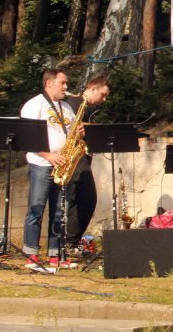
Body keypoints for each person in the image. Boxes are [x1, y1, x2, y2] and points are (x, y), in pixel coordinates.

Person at [20, 69, 79, 269]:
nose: (66, 87)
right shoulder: (34, 105)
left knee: (60, 211)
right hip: (41, 163)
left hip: (63, 165)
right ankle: (31, 255)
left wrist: (79, 133)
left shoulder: (67, 108)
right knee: (36, 208)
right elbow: (26, 138)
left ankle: (56, 254)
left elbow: (72, 136)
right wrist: (48, 155)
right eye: (62, 83)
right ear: (49, 83)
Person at [63, 75, 111, 254]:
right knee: (84, 199)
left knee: (83, 200)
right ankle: (70, 242)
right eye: (103, 95)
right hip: (74, 159)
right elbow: (68, 125)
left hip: (82, 156)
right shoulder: (75, 103)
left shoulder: (85, 107)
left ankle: (72, 241)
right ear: (92, 89)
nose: (104, 100)